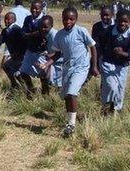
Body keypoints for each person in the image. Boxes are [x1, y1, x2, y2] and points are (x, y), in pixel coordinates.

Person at [41, 7, 99, 137]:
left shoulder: (81, 31)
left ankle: (71, 125)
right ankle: (70, 120)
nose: (68, 21)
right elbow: (57, 54)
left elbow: (93, 47)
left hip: (81, 67)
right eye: (65, 19)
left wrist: (94, 66)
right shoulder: (60, 35)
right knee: (66, 95)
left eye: (71, 19)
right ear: (61, 19)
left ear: (76, 19)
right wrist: (47, 64)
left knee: (72, 92)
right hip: (67, 68)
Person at [99, 9, 130, 115]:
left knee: (120, 89)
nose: (122, 23)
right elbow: (101, 45)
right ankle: (106, 106)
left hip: (123, 66)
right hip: (108, 63)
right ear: (116, 20)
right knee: (111, 87)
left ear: (129, 22)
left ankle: (116, 110)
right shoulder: (109, 31)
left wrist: (123, 54)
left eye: (125, 21)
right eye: (120, 21)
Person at [18, 0, 44, 97]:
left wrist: (28, 35)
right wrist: (35, 34)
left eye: (37, 8)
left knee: (43, 75)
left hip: (41, 52)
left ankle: (45, 94)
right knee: (23, 72)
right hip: (29, 50)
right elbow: (22, 34)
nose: (34, 10)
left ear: (41, 9)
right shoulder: (27, 19)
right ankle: (31, 90)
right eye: (32, 8)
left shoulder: (44, 19)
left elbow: (43, 35)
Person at [0, 12, 26, 90]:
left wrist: (19, 54)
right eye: (5, 19)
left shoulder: (17, 30)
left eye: (8, 19)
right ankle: (16, 85)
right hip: (14, 56)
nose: (6, 21)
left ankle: (22, 87)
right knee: (8, 67)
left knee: (16, 72)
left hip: (20, 56)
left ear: (14, 20)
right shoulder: (5, 30)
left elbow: (24, 43)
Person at [87, 6, 115, 81]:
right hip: (99, 55)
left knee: (107, 80)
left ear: (112, 15)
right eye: (102, 15)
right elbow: (95, 46)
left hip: (113, 58)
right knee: (88, 75)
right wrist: (95, 65)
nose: (104, 17)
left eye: (107, 15)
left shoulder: (117, 25)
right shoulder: (97, 26)